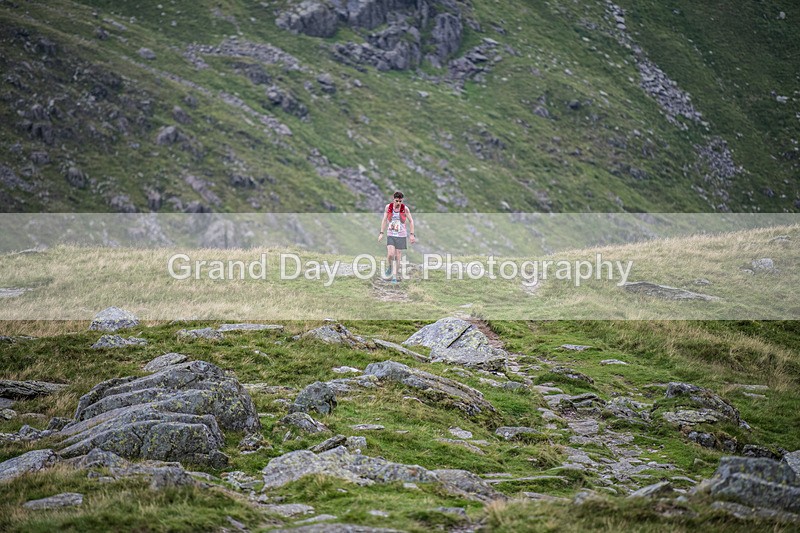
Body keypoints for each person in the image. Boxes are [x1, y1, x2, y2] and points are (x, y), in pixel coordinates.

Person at [377, 191, 415, 283]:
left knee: (398, 256)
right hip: (391, 234)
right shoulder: (388, 207)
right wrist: (381, 233)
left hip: (401, 235)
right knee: (390, 254)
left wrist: (412, 235)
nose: (398, 203)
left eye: (400, 201)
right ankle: (390, 267)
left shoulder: (405, 209)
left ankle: (394, 276)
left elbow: (411, 221)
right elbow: (384, 220)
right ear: (393, 199)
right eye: (397, 201)